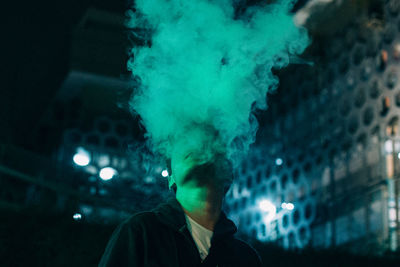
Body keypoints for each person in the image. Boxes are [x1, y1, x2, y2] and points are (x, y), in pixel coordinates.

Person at [99, 153, 262, 266]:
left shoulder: (245, 257)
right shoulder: (141, 231)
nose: (199, 148)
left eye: (210, 145)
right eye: (187, 141)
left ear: (228, 176)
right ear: (171, 177)